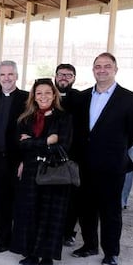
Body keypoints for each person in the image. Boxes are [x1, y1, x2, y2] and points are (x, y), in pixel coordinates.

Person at [70, 52, 133, 265]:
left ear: (115, 69)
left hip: (112, 164)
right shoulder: (82, 98)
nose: (102, 70)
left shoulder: (130, 99)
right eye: (97, 66)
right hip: (84, 163)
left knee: (110, 210)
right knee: (86, 208)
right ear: (93, 70)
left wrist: (115, 148)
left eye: (107, 66)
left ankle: (111, 252)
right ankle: (90, 245)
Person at [11, 78, 73, 265]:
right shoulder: (26, 118)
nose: (43, 96)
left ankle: (47, 257)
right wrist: (46, 141)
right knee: (30, 212)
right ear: (34, 96)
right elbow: (21, 144)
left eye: (47, 92)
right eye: (39, 93)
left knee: (49, 213)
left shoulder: (64, 117)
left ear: (54, 95)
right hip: (30, 170)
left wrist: (34, 142)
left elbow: (64, 145)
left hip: (53, 171)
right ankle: (30, 253)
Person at [0, 61, 29, 253]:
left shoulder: (27, 99)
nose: (6, 78)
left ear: (17, 76)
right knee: (0, 202)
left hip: (18, 161)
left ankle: (19, 243)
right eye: (2, 75)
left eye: (10, 74)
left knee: (19, 203)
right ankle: (3, 240)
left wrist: (25, 161)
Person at [55, 62, 79, 246]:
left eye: (68, 75)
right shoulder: (46, 94)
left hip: (73, 155)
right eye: (60, 74)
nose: (63, 78)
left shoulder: (80, 98)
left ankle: (68, 232)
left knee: (71, 197)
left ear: (73, 79)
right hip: (48, 153)